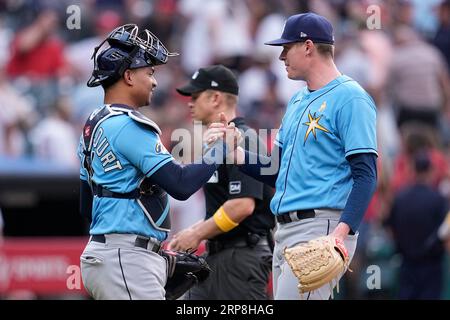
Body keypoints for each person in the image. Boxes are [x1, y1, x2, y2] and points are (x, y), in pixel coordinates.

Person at [215, 13, 378, 300]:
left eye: (286, 47)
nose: (280, 56)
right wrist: (236, 152)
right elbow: (274, 169)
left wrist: (341, 233)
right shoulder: (297, 100)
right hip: (285, 230)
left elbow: (366, 175)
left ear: (308, 47)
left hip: (321, 226)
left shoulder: (351, 97)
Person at [77, 24, 239, 300]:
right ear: (128, 76)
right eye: (149, 73)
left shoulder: (94, 123)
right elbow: (181, 184)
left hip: (110, 254)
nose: (154, 81)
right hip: (126, 259)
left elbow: (86, 206)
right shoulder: (128, 125)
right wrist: (221, 148)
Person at [168, 65, 275, 300]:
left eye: (195, 96)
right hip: (218, 255)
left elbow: (241, 206)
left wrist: (196, 233)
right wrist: (194, 232)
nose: (189, 103)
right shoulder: (218, 144)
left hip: (241, 257)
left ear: (216, 98)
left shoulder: (243, 139)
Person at [387, 151, 449, 300]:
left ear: (413, 170)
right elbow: (445, 232)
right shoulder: (439, 200)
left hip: (406, 263)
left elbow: (390, 227)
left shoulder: (400, 198)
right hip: (432, 264)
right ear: (431, 171)